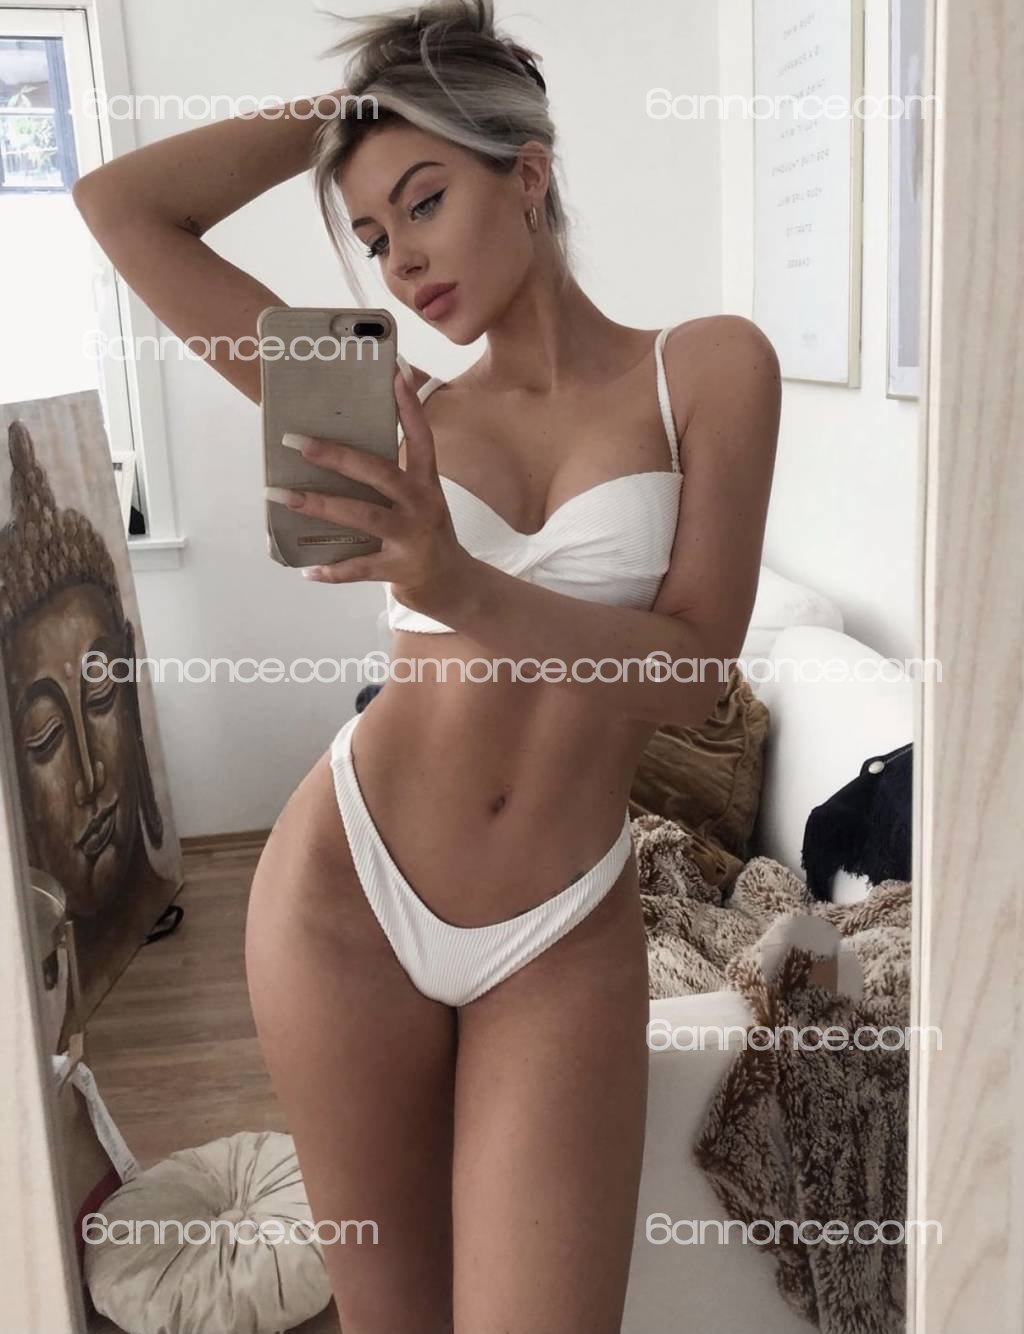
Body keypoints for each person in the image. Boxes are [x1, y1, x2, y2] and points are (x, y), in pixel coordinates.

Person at [73, 2, 780, 1329]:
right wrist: (350, 108)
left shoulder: (707, 368)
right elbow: (122, 208)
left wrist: (459, 584)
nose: (400, 260)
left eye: (425, 199)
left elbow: (692, 673)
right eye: (373, 235)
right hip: (345, 897)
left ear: (528, 169)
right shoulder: (382, 400)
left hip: (557, 925)